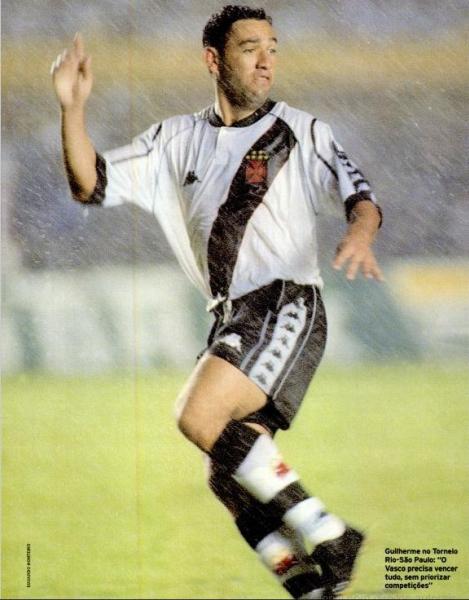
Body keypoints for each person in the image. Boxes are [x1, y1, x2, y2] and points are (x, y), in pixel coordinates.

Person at [51, 5, 383, 598]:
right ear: (214, 59)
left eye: (273, 49)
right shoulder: (174, 140)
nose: (266, 61)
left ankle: (330, 534)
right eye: (251, 48)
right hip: (232, 316)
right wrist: (72, 109)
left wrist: (359, 233)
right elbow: (89, 184)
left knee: (196, 417)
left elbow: (360, 195)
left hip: (284, 304)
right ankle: (310, 588)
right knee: (226, 477)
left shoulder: (300, 130)